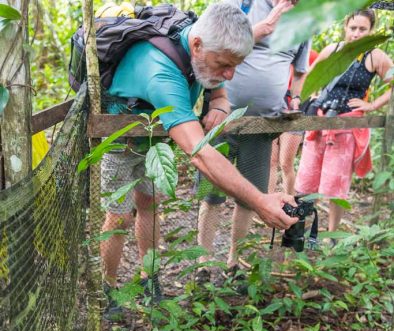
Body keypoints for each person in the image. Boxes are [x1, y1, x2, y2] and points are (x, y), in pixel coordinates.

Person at [100, 2, 298, 310]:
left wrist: (219, 101)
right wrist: (260, 201)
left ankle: (148, 276)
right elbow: (200, 154)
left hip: (154, 138)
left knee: (149, 204)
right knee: (120, 216)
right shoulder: (161, 72)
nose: (229, 75)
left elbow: (216, 86)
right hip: (119, 140)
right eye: (223, 65)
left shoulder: (200, 48)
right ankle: (108, 289)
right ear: (197, 45)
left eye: (236, 65)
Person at [196, 0, 310, 278]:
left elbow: (301, 69)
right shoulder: (241, 5)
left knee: (251, 199)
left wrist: (294, 98)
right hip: (222, 120)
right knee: (211, 196)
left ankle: (233, 263)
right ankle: (202, 266)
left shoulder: (305, 20)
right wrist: (265, 25)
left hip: (263, 127)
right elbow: (211, 45)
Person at [295, 9, 393, 237]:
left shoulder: (374, 55)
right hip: (321, 121)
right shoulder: (333, 50)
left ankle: (330, 236)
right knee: (306, 178)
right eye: (353, 28)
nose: (357, 34)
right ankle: (298, 228)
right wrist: (313, 94)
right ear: (345, 28)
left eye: (362, 29)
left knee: (335, 186)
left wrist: (373, 105)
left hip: (346, 128)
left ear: (371, 31)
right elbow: (309, 74)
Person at [268, 49, 319, 195]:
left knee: (285, 163)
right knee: (270, 161)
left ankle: (289, 205)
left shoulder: (312, 55)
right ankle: (268, 204)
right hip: (274, 106)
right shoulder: (276, 50)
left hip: (296, 109)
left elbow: (317, 80)